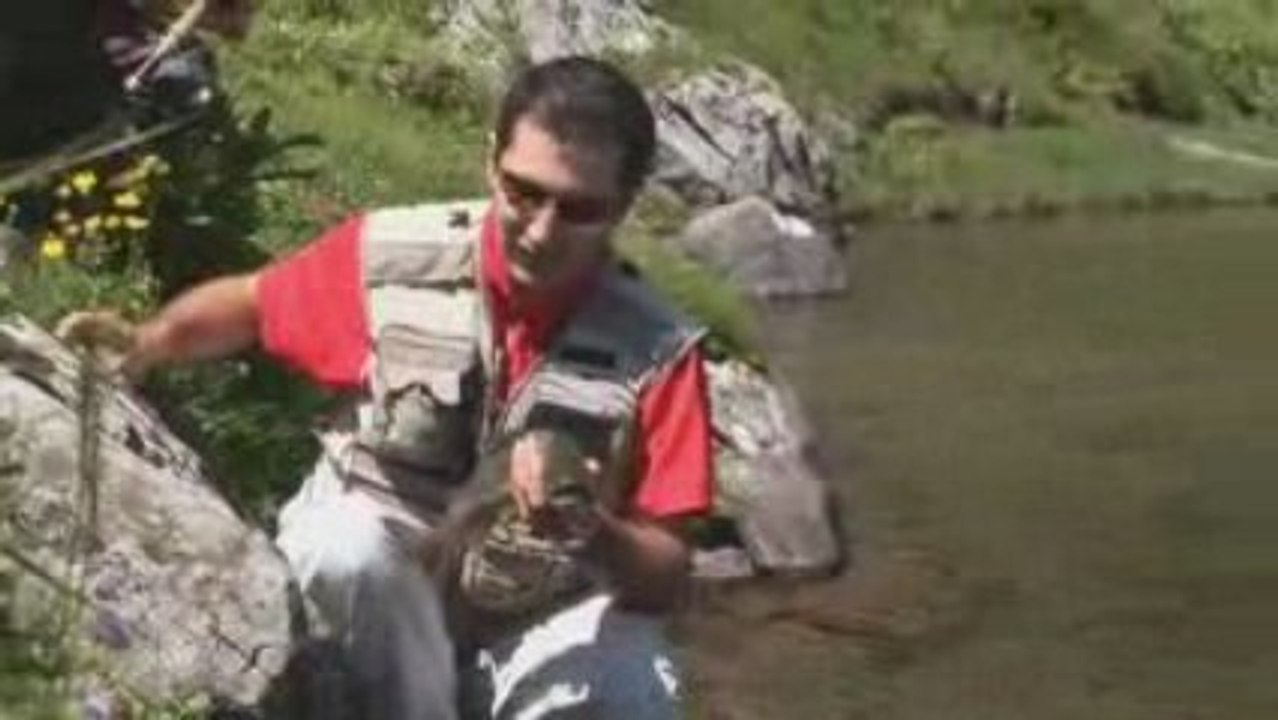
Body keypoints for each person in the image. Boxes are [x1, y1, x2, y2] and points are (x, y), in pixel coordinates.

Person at [59, 56, 714, 720]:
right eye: (522, 192)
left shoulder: (658, 348)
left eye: (578, 210)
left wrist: (591, 529)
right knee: (342, 547)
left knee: (636, 682)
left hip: (528, 625)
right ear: (491, 162)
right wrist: (149, 341)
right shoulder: (393, 257)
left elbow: (666, 571)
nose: (542, 229)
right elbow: (255, 305)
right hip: (379, 595)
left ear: (623, 207)